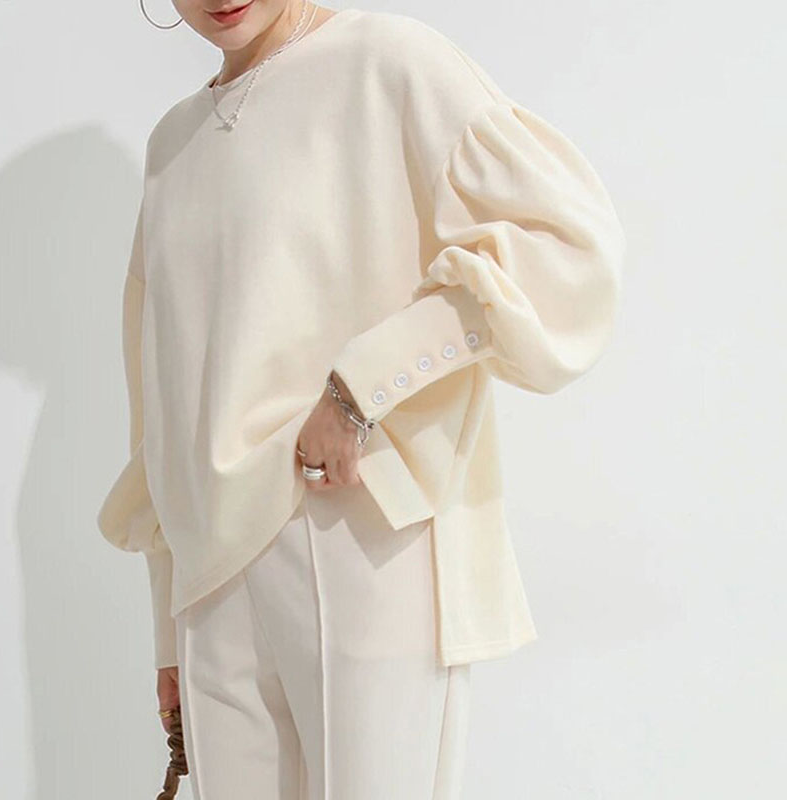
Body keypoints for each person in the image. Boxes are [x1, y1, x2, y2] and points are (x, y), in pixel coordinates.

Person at [97, 1, 626, 797]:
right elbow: (160, 398)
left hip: (360, 527)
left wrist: (361, 388)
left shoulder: (389, 61)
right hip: (210, 574)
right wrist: (166, 626)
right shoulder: (172, 143)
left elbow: (564, 245)